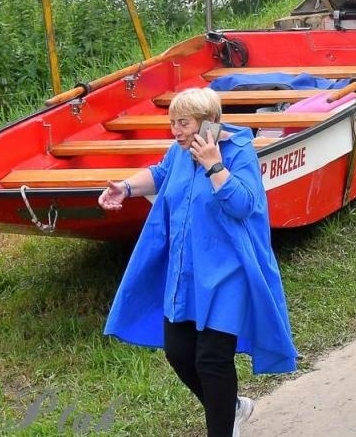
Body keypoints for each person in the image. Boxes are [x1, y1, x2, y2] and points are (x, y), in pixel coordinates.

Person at [101, 87, 296, 437]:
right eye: (173, 123)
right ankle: (232, 407)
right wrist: (126, 188)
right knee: (178, 352)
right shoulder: (179, 152)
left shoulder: (238, 152)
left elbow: (245, 205)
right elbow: (160, 174)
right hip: (188, 270)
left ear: (209, 123)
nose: (176, 131)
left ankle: (221, 428)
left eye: (183, 123)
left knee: (212, 359)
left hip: (228, 272)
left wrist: (214, 166)